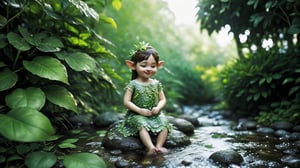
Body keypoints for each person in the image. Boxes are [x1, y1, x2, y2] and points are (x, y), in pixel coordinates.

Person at [117, 41, 172, 155]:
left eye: (153, 66)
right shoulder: (133, 84)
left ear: (158, 65)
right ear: (133, 65)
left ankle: (159, 146)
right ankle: (150, 147)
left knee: (165, 123)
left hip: (154, 114)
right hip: (136, 114)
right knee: (141, 124)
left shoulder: (156, 83)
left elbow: (163, 99)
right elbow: (126, 102)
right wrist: (139, 110)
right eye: (143, 65)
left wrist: (158, 107)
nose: (148, 68)